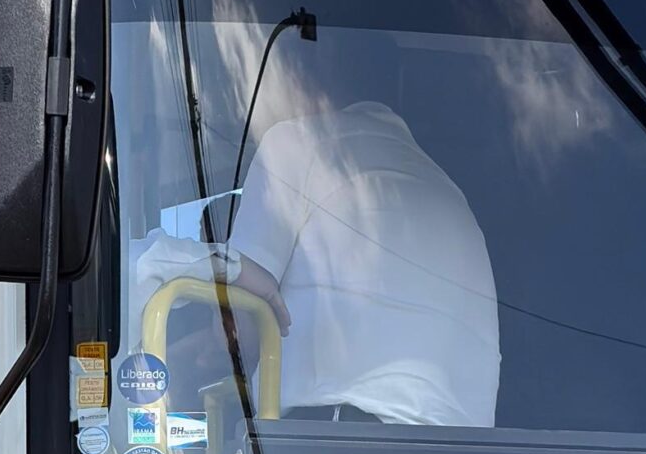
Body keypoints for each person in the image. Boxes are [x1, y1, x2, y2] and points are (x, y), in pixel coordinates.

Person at [135, 92, 500, 428]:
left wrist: (190, 355)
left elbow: (240, 327)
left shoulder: (298, 142)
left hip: (339, 446)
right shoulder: (450, 193)